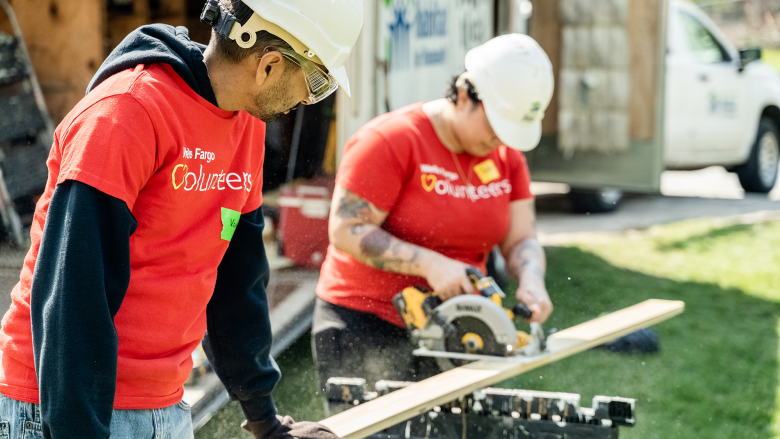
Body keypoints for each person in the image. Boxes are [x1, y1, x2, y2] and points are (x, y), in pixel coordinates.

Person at [0, 0, 362, 437]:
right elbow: (74, 299)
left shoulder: (246, 127)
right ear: (268, 65)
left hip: (165, 405)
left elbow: (237, 284)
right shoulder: (125, 115)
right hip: (61, 408)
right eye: (318, 81)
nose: (310, 97)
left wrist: (266, 421)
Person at [312, 34, 555, 405]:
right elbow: (346, 229)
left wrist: (532, 280)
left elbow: (521, 239)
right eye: (496, 124)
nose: (500, 139)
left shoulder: (506, 157)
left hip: (463, 327)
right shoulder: (391, 140)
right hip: (366, 322)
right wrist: (429, 264)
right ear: (463, 93)